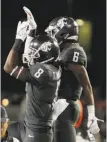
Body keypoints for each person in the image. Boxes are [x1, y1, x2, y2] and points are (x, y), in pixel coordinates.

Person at [3, 16, 62, 142]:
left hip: (36, 134)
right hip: (28, 127)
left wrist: (19, 40)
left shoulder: (43, 72)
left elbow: (8, 67)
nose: (31, 54)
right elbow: (28, 59)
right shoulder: (52, 68)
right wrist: (32, 31)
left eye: (34, 51)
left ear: (44, 53)